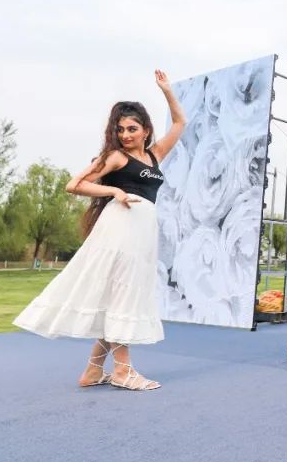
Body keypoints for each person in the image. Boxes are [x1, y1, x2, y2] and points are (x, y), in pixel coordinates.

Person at [14, 70, 186, 391]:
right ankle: (122, 371)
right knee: (121, 295)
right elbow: (74, 184)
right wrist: (113, 191)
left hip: (142, 234)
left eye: (132, 128)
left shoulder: (154, 155)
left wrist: (166, 91)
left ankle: (93, 371)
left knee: (119, 295)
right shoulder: (116, 157)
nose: (125, 134)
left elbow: (179, 123)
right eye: (120, 129)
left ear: (146, 130)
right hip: (119, 229)